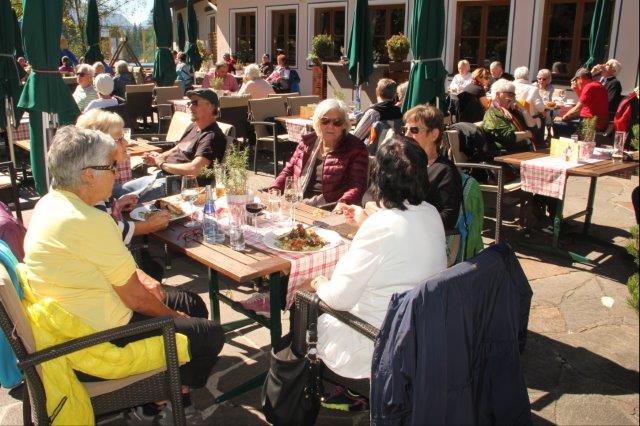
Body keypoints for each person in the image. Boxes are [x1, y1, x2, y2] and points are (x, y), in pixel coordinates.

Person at [22, 126, 224, 419]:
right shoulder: (87, 220)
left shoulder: (50, 203)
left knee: (192, 303)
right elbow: (137, 300)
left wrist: (152, 287)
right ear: (88, 174)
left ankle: (169, 392)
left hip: (79, 319)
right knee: (209, 334)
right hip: (97, 341)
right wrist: (174, 317)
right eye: (111, 167)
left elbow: (112, 270)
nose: (116, 174)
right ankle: (161, 397)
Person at [302, 134, 447, 380]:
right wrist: (368, 221)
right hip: (418, 334)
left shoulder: (381, 225)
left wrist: (320, 283)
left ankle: (305, 382)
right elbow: (400, 242)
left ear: (380, 177)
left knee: (304, 300)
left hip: (376, 340)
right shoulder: (431, 214)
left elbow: (339, 299)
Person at [121, 89, 228, 202]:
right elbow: (178, 147)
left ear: (211, 107)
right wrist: (160, 157)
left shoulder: (212, 136)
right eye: (189, 103)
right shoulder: (193, 126)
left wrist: (162, 164)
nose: (190, 107)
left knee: (123, 200)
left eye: (195, 103)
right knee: (120, 190)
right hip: (162, 176)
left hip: (176, 185)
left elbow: (194, 169)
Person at [270, 99, 369, 207]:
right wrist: (275, 188)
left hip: (329, 207)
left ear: (344, 124)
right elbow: (289, 170)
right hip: (297, 200)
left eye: (337, 122)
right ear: (317, 122)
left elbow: (357, 185)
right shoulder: (307, 142)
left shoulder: (355, 148)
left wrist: (343, 203)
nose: (330, 126)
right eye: (325, 121)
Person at [403, 105, 462, 231]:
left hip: (420, 235)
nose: (407, 135)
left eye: (414, 130)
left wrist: (406, 222)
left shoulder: (445, 171)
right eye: (405, 130)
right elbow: (370, 194)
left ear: (434, 134)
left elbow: (448, 219)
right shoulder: (399, 163)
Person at [553, 68, 609, 138]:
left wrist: (563, 117)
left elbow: (577, 109)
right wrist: (577, 90)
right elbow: (584, 103)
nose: (576, 83)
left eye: (576, 81)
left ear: (580, 79)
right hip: (596, 122)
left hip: (590, 125)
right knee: (565, 120)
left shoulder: (589, 87)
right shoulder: (597, 85)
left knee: (557, 124)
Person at [483, 79, 534, 154]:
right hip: (506, 154)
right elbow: (508, 136)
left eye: (514, 95)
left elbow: (533, 128)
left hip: (522, 151)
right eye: (510, 94)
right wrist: (527, 134)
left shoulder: (513, 111)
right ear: (498, 94)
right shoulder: (492, 112)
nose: (513, 98)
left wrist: (523, 109)